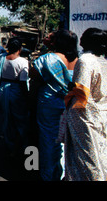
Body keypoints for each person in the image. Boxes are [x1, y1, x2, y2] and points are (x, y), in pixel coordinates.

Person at [30, 29, 78, 181]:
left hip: (49, 104)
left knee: (49, 140)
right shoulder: (78, 60)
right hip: (70, 104)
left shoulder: (48, 58)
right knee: (67, 140)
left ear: (56, 42)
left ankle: (49, 175)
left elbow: (33, 75)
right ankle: (64, 172)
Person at [59, 28, 107, 181]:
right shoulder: (102, 60)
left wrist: (70, 89)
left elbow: (81, 93)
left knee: (84, 158)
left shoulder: (86, 60)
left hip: (84, 117)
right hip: (100, 114)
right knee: (99, 156)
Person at [0, 37, 30, 159]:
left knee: (7, 118)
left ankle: (9, 143)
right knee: (20, 120)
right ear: (20, 49)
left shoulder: (1, 58)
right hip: (15, 91)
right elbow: (23, 82)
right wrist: (28, 98)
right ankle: (18, 146)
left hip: (2, 89)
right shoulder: (23, 62)